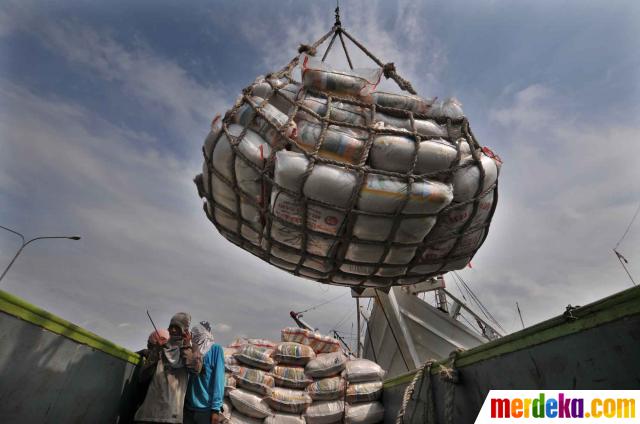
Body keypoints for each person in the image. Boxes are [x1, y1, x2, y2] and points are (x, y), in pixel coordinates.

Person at [134, 312, 202, 423]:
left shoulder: (191, 348)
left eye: (177, 327)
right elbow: (143, 377)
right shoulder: (161, 346)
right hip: (149, 412)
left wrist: (186, 345)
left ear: (185, 330)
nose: (173, 330)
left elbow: (195, 369)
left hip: (171, 415)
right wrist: (156, 351)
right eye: (171, 327)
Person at [183, 321, 225, 424]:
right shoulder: (191, 350)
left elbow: (219, 380)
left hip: (205, 409)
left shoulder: (215, 350)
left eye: (197, 333)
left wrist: (215, 409)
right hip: (188, 407)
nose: (195, 336)